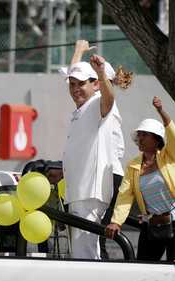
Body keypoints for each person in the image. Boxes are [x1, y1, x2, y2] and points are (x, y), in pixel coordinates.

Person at [60, 39, 133, 259]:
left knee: (85, 255)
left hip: (90, 191)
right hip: (80, 191)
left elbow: (109, 99)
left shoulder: (98, 103)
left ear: (97, 84)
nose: (74, 89)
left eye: (81, 83)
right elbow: (71, 79)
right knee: (86, 252)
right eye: (73, 84)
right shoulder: (84, 106)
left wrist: (100, 72)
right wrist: (78, 52)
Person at [105, 96, 175, 263]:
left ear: (156, 139)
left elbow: (174, 136)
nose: (140, 138)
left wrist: (161, 111)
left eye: (145, 135)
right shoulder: (133, 166)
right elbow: (124, 196)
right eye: (139, 135)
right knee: (143, 266)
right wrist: (116, 222)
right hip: (151, 225)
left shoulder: (170, 156)